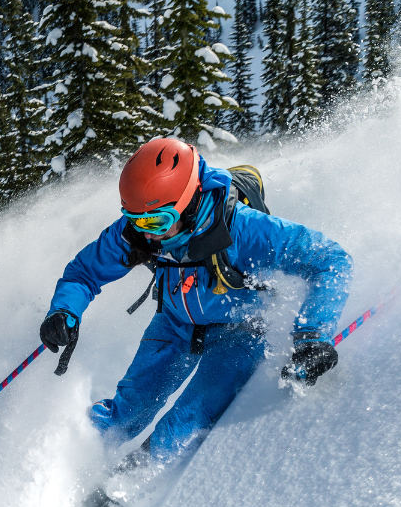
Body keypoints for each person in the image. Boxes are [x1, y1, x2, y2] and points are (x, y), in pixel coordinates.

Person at [40, 138, 352, 466]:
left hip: (240, 330)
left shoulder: (242, 229)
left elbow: (330, 259)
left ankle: (123, 491)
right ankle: (62, 461)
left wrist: (313, 334)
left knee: (181, 425)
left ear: (187, 202)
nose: (145, 234)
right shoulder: (139, 230)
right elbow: (83, 273)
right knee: (125, 413)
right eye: (134, 220)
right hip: (175, 323)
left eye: (154, 223)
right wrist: (64, 310)